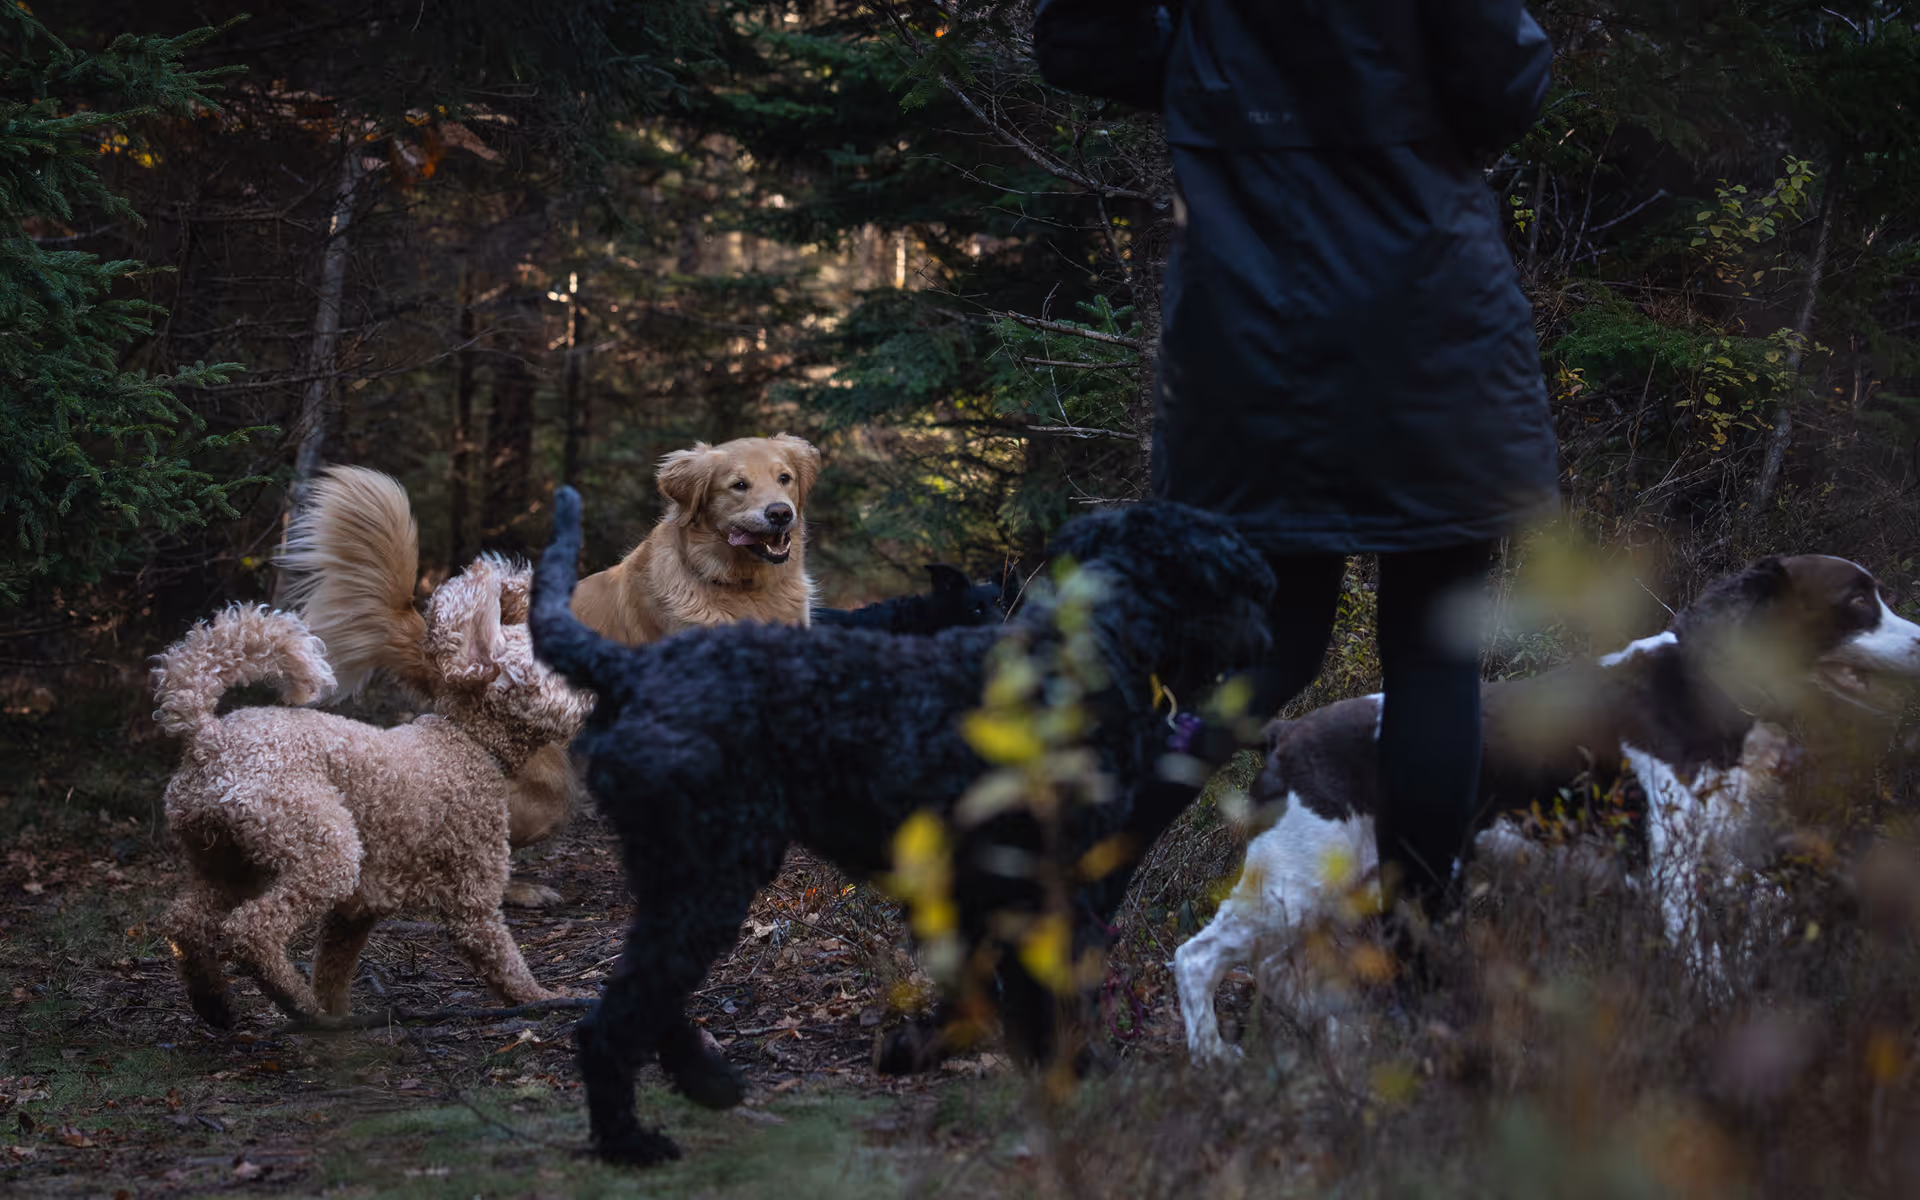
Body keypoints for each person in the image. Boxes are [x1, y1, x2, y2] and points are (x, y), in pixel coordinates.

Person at [1036, 2, 1561, 926]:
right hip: (1428, 326)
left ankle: (1067, 900)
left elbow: (1088, 43)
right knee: (1435, 654)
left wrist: (1224, 93)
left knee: (1264, 644)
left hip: (1250, 338)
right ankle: (1417, 955)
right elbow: (1506, 84)